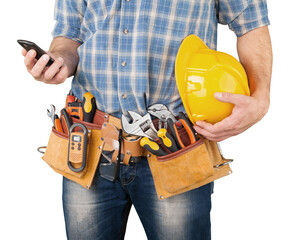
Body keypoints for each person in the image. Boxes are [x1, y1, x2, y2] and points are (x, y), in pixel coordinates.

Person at [21, 0, 272, 239]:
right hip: (89, 147)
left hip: (176, 151)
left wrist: (260, 98)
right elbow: (70, 33)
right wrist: (60, 60)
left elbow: (250, 23)